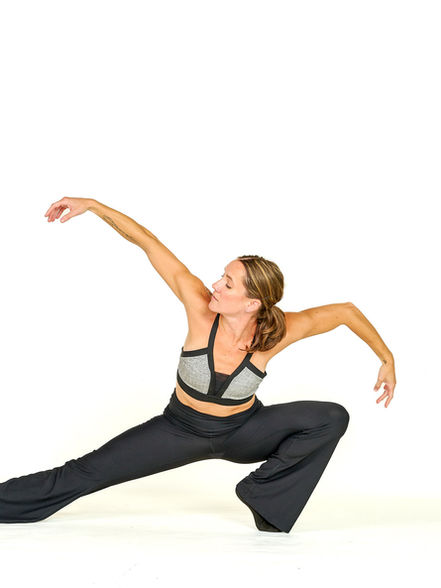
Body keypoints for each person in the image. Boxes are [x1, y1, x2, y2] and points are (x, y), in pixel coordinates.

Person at [0, 197, 396, 532]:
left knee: (331, 417)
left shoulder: (280, 330)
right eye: (222, 276)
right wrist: (93, 206)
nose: (216, 285)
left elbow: (346, 312)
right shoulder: (199, 307)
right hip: (179, 429)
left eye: (228, 283)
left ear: (252, 303)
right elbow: (147, 242)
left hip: (244, 432)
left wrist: (386, 358)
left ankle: (261, 494)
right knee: (84, 473)